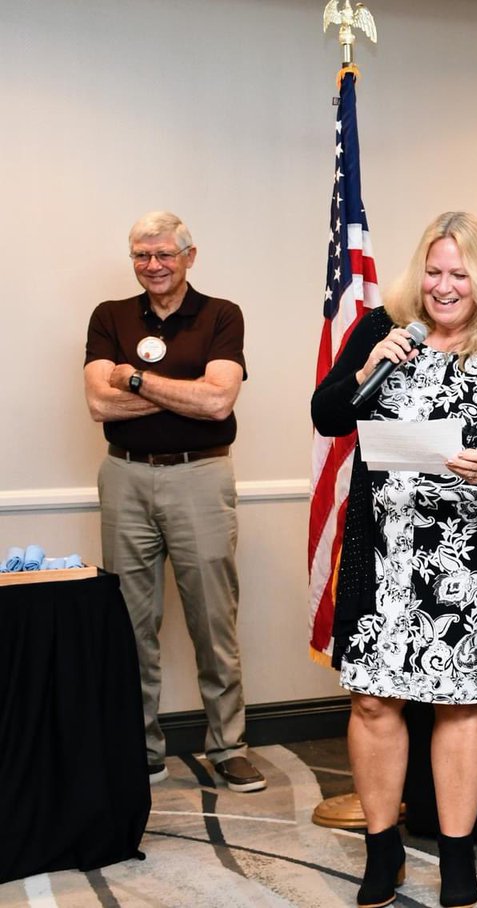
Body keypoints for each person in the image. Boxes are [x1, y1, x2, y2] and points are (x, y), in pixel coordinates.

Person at [311, 211, 477, 908]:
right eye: (435, 272)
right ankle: (382, 853)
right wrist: (368, 363)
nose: (444, 287)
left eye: (459, 275)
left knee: (461, 704)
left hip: (464, 564)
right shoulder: (380, 332)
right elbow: (328, 415)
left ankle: (455, 859)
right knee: (373, 699)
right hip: (382, 557)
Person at [84, 211, 265, 793]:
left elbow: (218, 406)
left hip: (200, 477)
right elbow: (98, 406)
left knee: (213, 620)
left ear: (190, 255)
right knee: (131, 624)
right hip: (125, 477)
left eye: (164, 254)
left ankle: (229, 747)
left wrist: (134, 380)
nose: (153, 266)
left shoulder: (220, 315)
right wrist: (185, 395)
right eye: (142, 255)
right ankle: (141, 749)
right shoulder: (109, 317)